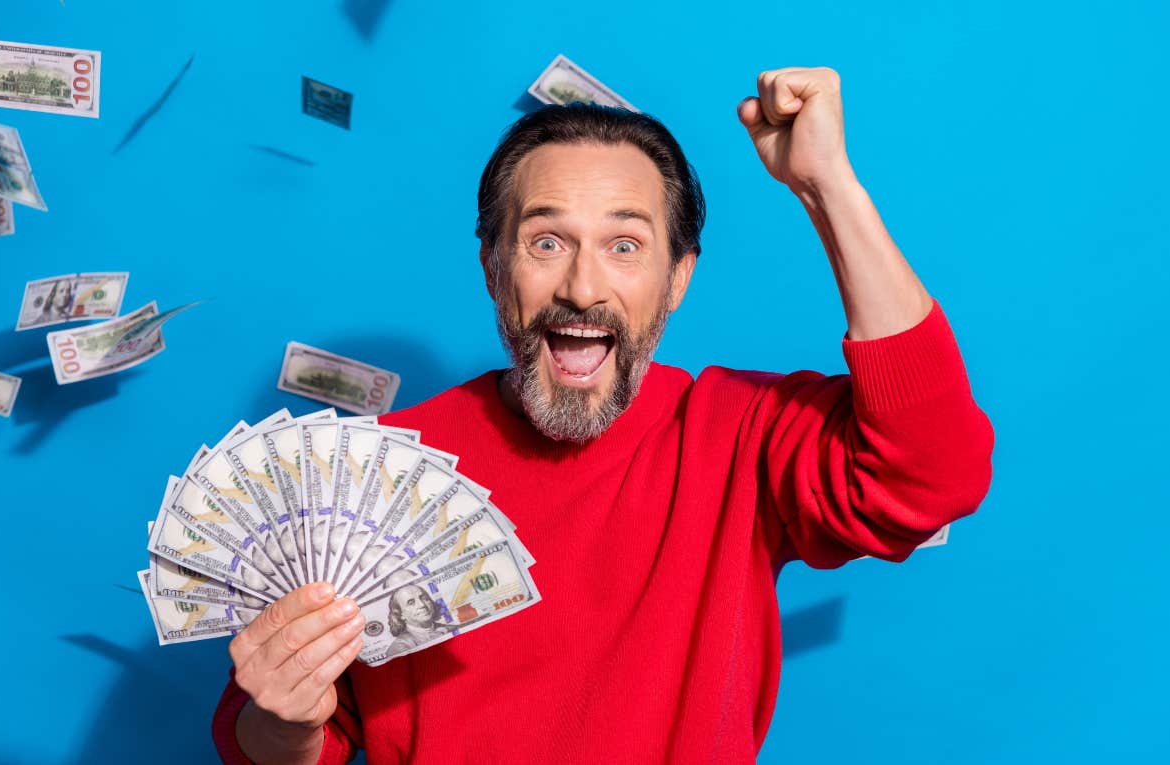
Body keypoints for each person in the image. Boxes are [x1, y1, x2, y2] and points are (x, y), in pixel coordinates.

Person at [213, 67, 996, 764]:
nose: (584, 288)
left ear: (677, 277)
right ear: (493, 265)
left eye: (625, 246)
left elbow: (933, 474)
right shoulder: (374, 468)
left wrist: (827, 185)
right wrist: (285, 720)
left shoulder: (739, 433)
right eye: (546, 240)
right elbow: (263, 747)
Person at [382, 583, 451, 658]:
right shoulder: (399, 648)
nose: (422, 605)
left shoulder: (452, 628)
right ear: (401, 614)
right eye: (411, 603)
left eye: (424, 598)